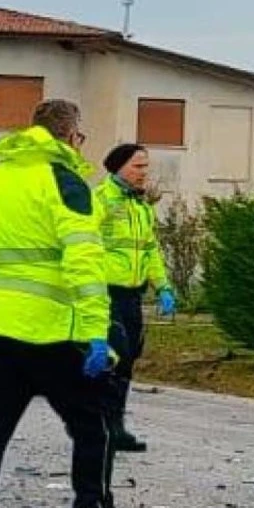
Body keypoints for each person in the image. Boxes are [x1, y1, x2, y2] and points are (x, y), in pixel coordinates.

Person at [0, 98, 153, 508]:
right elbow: (86, 264)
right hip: (49, 334)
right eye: (81, 137)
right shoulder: (66, 183)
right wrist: (97, 335)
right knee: (94, 429)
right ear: (70, 135)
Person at [91, 142, 177, 452]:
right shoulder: (101, 201)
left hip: (132, 295)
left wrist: (163, 286)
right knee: (114, 357)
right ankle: (101, 427)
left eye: (146, 166)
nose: (144, 172)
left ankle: (116, 427)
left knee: (128, 362)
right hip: (106, 293)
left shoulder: (140, 207)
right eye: (138, 166)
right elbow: (83, 246)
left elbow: (150, 249)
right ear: (119, 167)